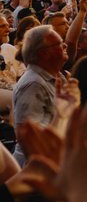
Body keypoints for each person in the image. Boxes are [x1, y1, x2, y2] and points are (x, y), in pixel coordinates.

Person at [11, 25, 68, 165]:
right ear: (44, 53)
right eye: (60, 43)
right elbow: (29, 138)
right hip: (38, 170)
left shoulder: (56, 77)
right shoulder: (33, 85)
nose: (65, 45)